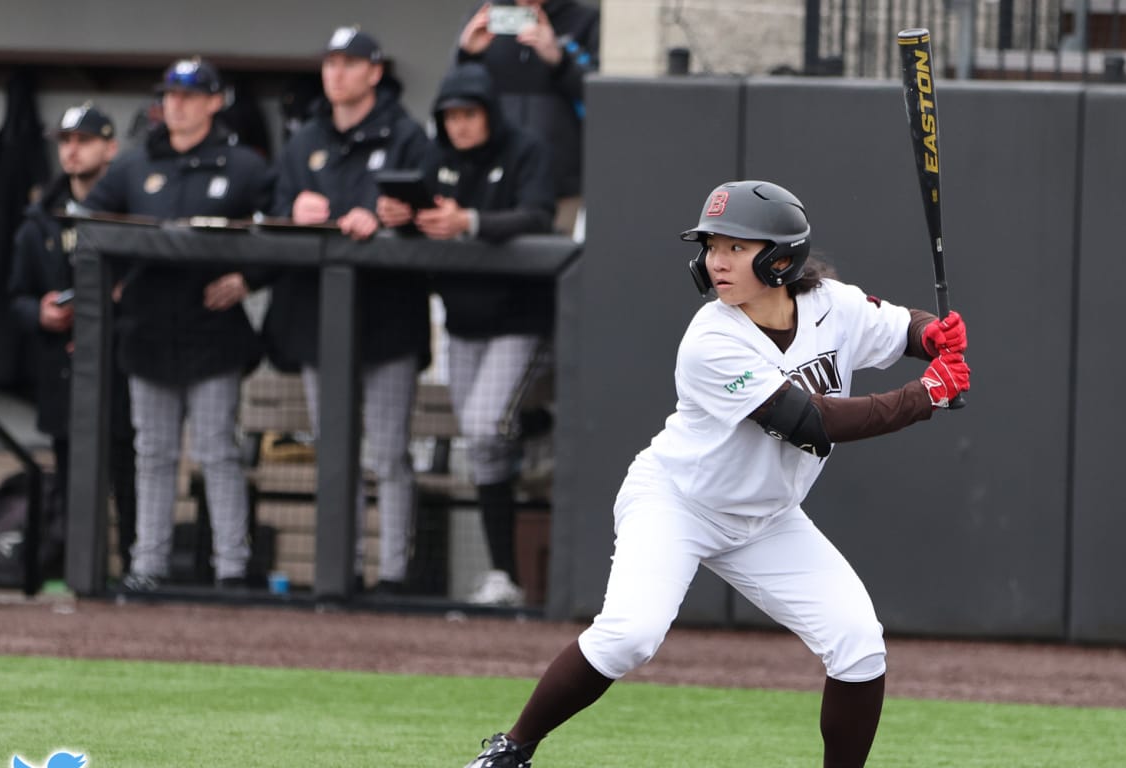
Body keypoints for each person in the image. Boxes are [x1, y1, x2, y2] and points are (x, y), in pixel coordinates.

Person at [459, 180, 971, 767]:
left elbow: (899, 326)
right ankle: (512, 750)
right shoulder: (710, 339)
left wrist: (930, 334)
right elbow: (810, 422)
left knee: (858, 644)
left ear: (781, 258)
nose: (715, 262)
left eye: (735, 247)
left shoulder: (832, 304)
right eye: (711, 247)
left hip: (766, 518)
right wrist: (924, 395)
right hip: (678, 503)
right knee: (630, 636)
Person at [81, 58, 274, 591]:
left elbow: (281, 233)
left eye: (191, 96)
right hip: (147, 330)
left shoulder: (243, 166)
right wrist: (110, 279)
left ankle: (232, 567)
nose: (178, 105)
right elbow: (88, 223)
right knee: (153, 453)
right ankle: (149, 564)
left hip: (213, 330)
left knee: (217, 448)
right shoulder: (134, 165)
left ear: (216, 102)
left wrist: (248, 276)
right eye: (170, 96)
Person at [376, 62, 556, 606]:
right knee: (483, 449)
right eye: (450, 116)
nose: (459, 126)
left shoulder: (525, 149)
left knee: (481, 426)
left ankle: (538, 426)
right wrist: (400, 217)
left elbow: (539, 217)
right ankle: (503, 575)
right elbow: (422, 218)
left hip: (519, 318)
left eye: (468, 114)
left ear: (488, 114)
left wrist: (471, 223)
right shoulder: (436, 159)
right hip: (462, 321)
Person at [267, 26, 433, 594]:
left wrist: (382, 216)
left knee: (387, 453)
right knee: (333, 450)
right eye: (330, 62)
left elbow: (428, 208)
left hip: (388, 315)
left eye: (349, 63)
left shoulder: (407, 134)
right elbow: (272, 210)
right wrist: (294, 206)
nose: (336, 73)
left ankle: (393, 574)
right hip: (320, 319)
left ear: (374, 71)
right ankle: (339, 572)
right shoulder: (302, 138)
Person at [7, 103, 138, 574]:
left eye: (83, 140)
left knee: (127, 471)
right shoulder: (40, 215)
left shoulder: (131, 209)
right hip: (62, 370)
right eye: (65, 141)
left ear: (110, 148)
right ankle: (75, 569)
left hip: (119, 363)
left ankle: (134, 570)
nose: (72, 150)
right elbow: (14, 299)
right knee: (70, 473)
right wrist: (39, 311)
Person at [455, 0, 598, 233]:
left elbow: (601, 98)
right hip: (489, 181)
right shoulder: (487, 15)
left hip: (560, 184)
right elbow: (453, 97)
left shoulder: (584, 20)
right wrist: (467, 56)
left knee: (555, 262)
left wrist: (559, 61)